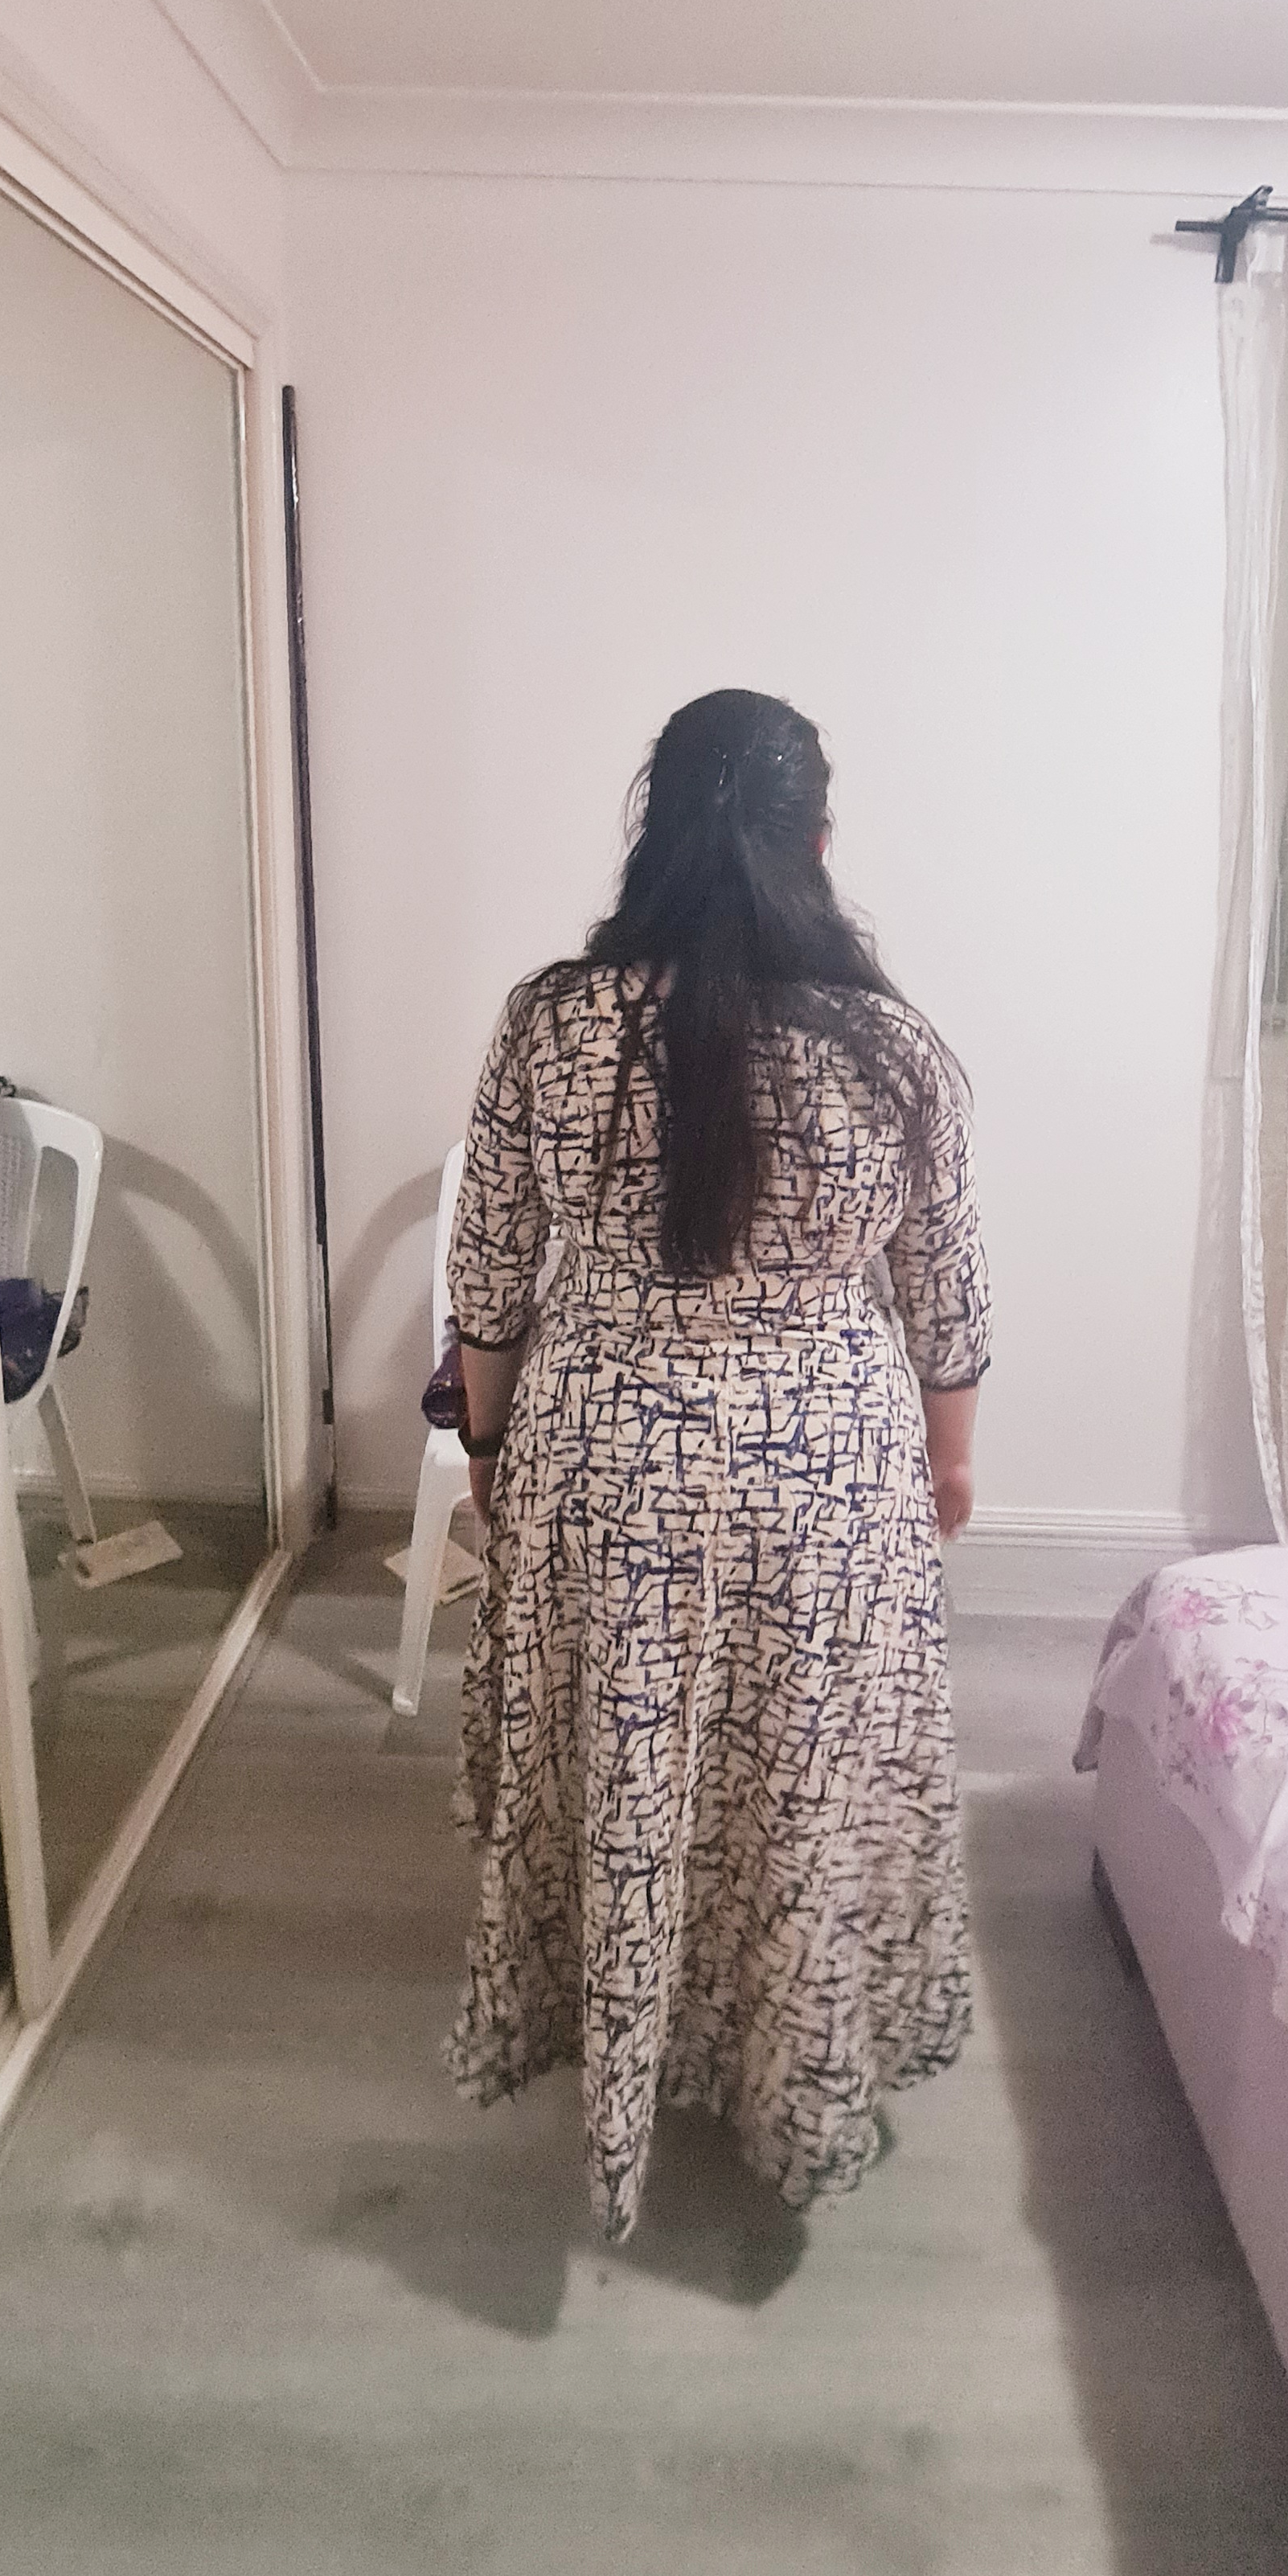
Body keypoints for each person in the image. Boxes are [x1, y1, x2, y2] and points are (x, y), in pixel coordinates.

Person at [442, 687, 991, 2242]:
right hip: (829, 1472)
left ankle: (629, 2033)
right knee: (795, 1778)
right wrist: (947, 1469)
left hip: (605, 1456)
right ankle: (783, 2063)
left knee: (622, 1764)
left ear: (656, 836)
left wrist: (488, 1440)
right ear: (818, 843)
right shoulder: (891, 1046)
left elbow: (489, 1270)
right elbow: (947, 1297)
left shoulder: (551, 1021)